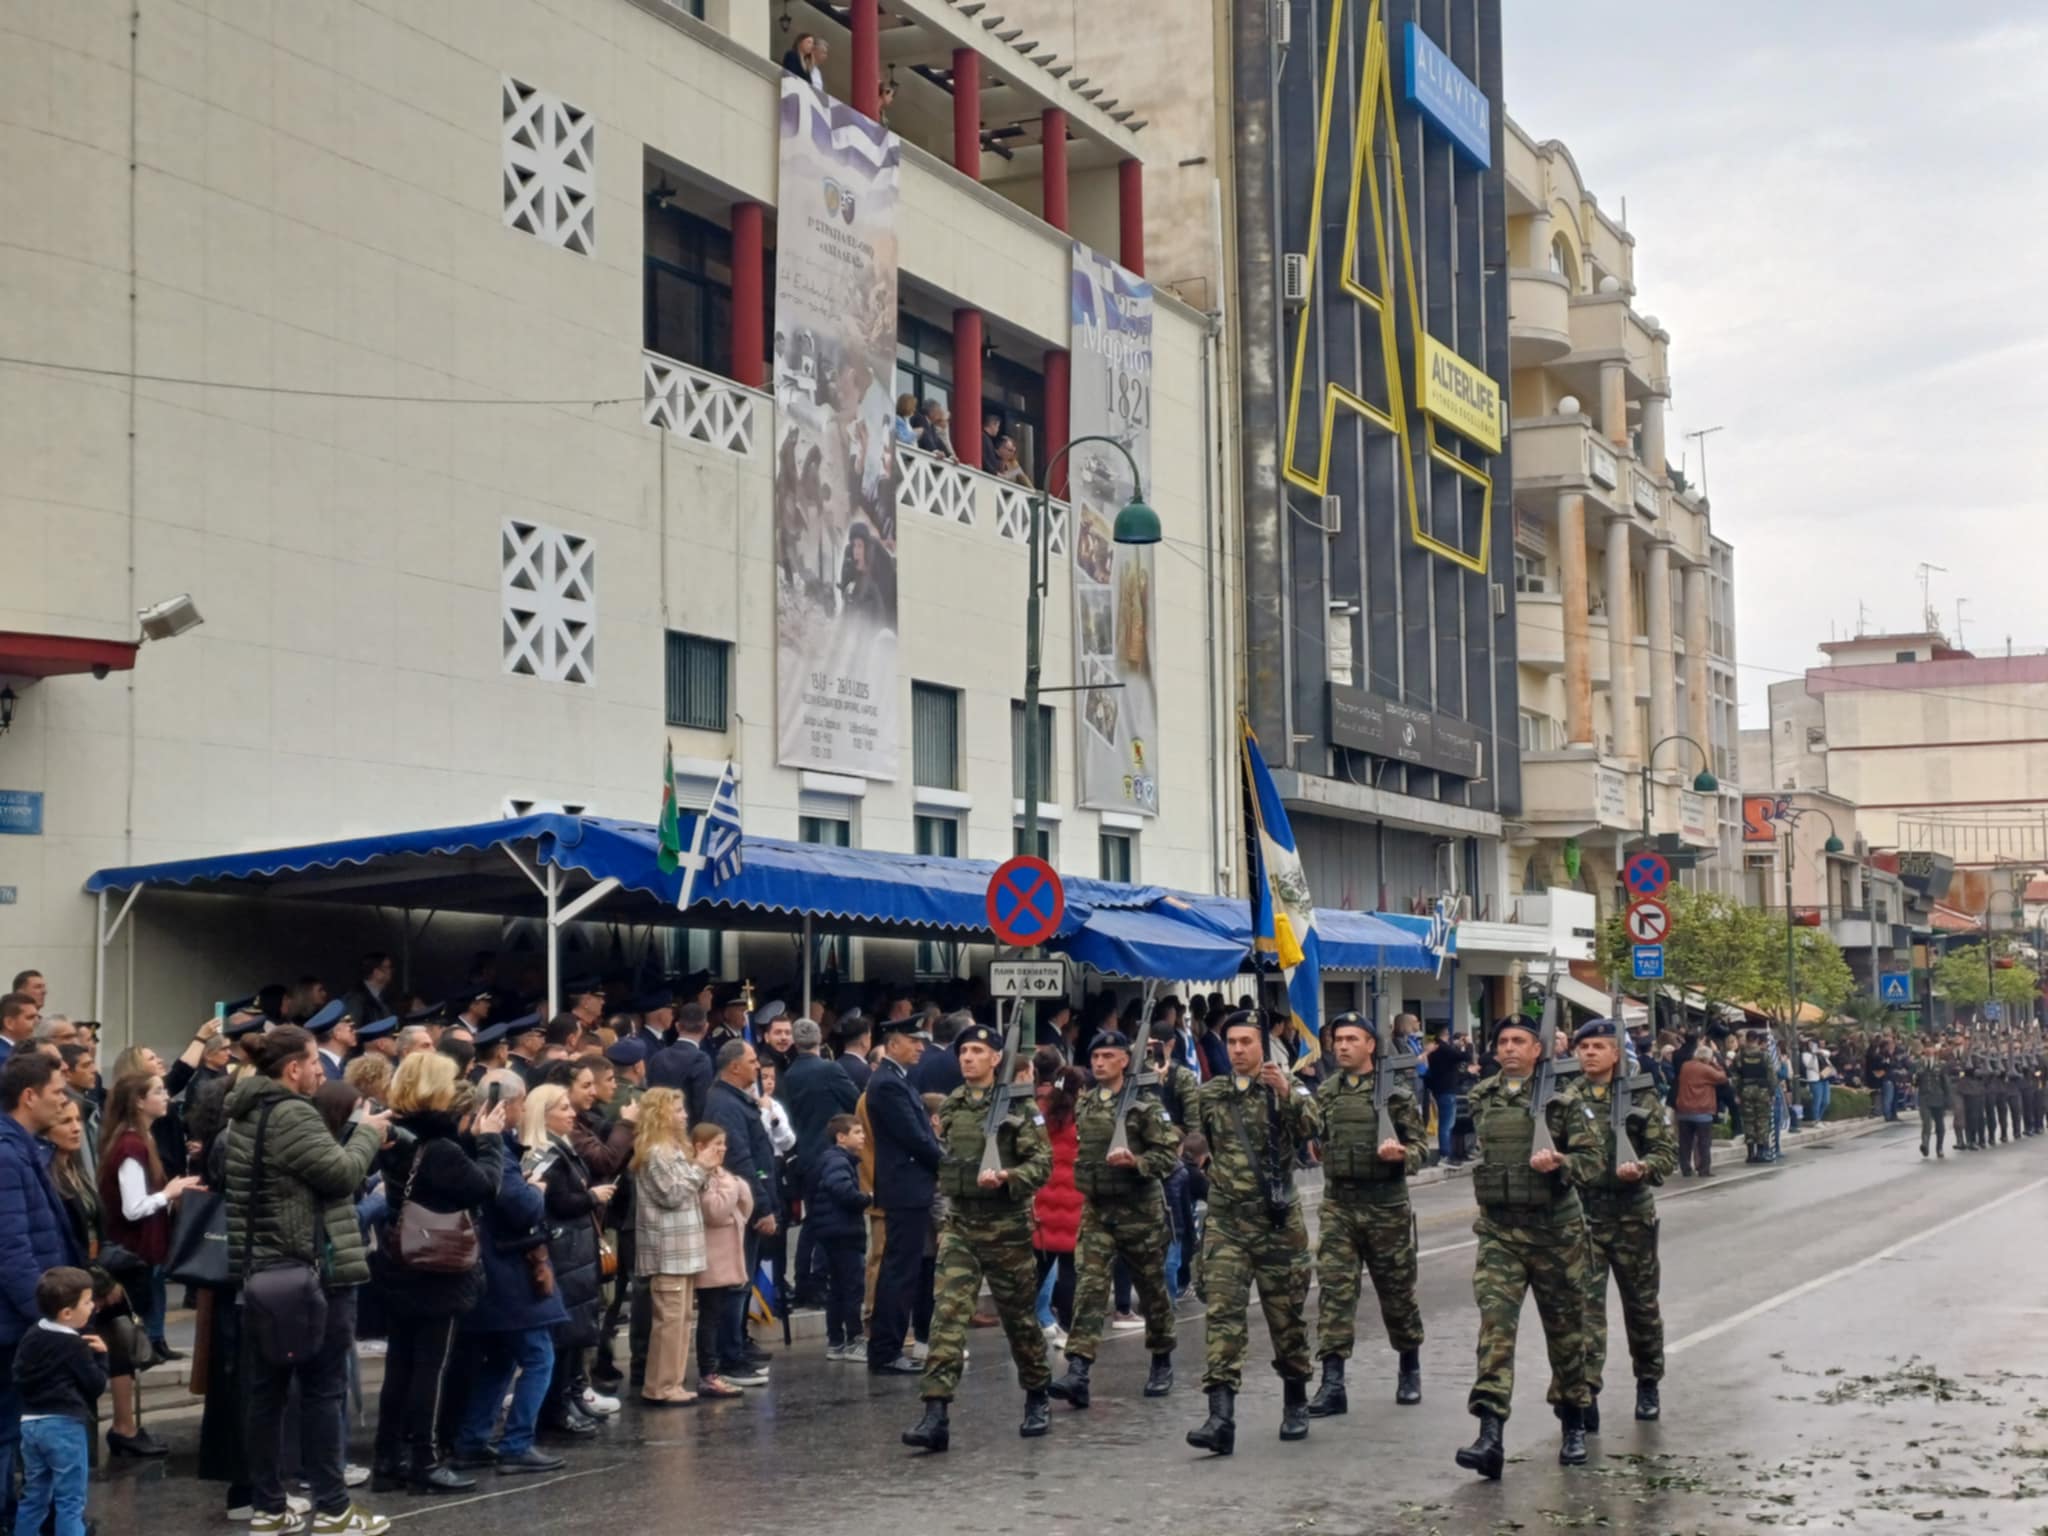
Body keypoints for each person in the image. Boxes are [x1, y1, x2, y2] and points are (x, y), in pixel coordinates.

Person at [224, 1025, 391, 1536]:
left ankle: (270, 1508)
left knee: (267, 1392)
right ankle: (335, 1509)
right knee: (322, 1390)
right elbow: (340, 1175)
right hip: (312, 1272)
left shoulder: (248, 1112)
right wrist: (367, 1132)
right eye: (315, 1062)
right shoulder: (292, 1112)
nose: (322, 1071)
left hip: (262, 1273)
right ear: (292, 1068)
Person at [1454, 1015, 1602, 1481]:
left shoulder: (1565, 1100)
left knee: (1566, 1332)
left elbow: (1593, 1161)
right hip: (1500, 1233)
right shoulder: (1482, 1096)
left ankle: (1574, 1420)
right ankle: (1490, 1435)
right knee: (1495, 1330)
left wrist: (1560, 1161)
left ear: (1538, 1050)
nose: (1510, 1048)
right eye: (1503, 1042)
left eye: (1520, 1041)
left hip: (1555, 1233)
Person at [901, 1023, 1052, 1452]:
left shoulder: (1020, 1109)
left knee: (1020, 1320)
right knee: (947, 1315)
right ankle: (936, 1411)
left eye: (976, 1052)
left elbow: (1042, 1163)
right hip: (961, 1225)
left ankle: (1037, 1393)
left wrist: (1009, 1177)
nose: (967, 1058)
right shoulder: (952, 1107)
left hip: (1006, 1228)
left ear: (995, 1059)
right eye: (963, 1051)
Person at [1184, 1011, 1322, 1456]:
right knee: (1223, 1314)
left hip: (1276, 1224)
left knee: (1286, 1318)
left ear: (1263, 1045)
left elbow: (1314, 1130)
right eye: (1233, 1042)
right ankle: (1220, 1417)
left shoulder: (1285, 1088)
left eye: (1247, 1042)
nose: (1239, 1050)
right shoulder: (1213, 1094)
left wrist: (1286, 1094)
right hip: (1227, 1222)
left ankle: (1296, 1399)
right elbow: (1197, 1140)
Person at [368, 1052, 506, 1494]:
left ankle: (388, 1457)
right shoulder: (441, 1147)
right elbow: (485, 1186)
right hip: (438, 1266)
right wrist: (489, 1141)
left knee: (400, 1363)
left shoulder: (397, 1137)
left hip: (401, 1260)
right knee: (431, 1365)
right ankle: (423, 1458)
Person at [1049, 1029, 1178, 1411]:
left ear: (1125, 1060)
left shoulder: (1145, 1106)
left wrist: (1136, 1163)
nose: (1100, 1063)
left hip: (1139, 1212)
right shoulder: (1086, 1104)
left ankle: (1161, 1360)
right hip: (1097, 1211)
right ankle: (1079, 1370)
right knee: (1089, 1290)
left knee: (1152, 1291)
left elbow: (1168, 1157)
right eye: (1096, 1057)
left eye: (1108, 1056)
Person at [1306, 1012, 1427, 1419]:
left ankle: (1409, 1366)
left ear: (1370, 1045)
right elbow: (1317, 1138)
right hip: (1339, 1205)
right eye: (1337, 1039)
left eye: (1351, 1039)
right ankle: (1332, 1382)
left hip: (1385, 1206)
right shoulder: (1325, 1092)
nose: (1341, 1046)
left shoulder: (1396, 1094)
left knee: (1396, 1293)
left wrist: (1402, 1155)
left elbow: (1421, 1148)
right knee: (1335, 1294)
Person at [446, 1070, 565, 1478]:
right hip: (506, 1271)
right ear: (507, 1104)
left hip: (485, 1269)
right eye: (521, 1101)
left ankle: (473, 1440)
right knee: (539, 1356)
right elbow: (520, 1207)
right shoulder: (493, 1148)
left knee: (498, 1360)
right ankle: (517, 1443)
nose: (523, 1108)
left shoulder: (466, 1143)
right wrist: (537, 1191)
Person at [1567, 1018, 1676, 1430]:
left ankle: (1648, 1380)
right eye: (1584, 1047)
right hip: (1583, 1215)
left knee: (1641, 1306)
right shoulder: (1566, 1096)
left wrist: (1644, 1167)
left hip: (1631, 1214)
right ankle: (1587, 1390)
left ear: (1617, 1053)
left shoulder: (1639, 1094)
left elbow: (1665, 1152)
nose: (1589, 1053)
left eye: (1598, 1047)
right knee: (1585, 1309)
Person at [47, 1098, 152, 1457]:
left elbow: (98, 1228)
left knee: (114, 1352)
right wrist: (98, 1281)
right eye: (65, 1121)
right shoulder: (48, 1173)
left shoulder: (76, 1169)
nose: (76, 1127)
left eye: (78, 1120)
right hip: (73, 1284)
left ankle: (120, 1432)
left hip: (95, 1276)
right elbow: (68, 1238)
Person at [519, 1085, 613, 1439]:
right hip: (564, 1251)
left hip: (577, 1251)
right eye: (562, 1108)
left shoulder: (562, 1148)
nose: (571, 1113)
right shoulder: (544, 1154)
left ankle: (571, 1397)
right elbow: (557, 1203)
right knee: (565, 1333)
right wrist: (591, 1196)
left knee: (577, 1332)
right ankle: (557, 1408)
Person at [95, 1072, 205, 1363]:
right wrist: (168, 1194)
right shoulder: (131, 1145)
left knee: (155, 1295)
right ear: (139, 1102)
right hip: (136, 1247)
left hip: (147, 1245)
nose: (166, 1096)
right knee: (144, 1301)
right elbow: (133, 1208)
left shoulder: (141, 1139)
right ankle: (149, 1346)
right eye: (158, 1091)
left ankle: (157, 1341)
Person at [865, 1014, 945, 1375]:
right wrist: (947, 1164)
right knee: (899, 1273)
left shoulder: (898, 1080)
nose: (921, 1047)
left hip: (911, 1187)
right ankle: (886, 1349)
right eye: (914, 1041)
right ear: (894, 1042)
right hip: (905, 1188)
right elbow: (915, 1136)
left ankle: (890, 1346)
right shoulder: (887, 1084)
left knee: (905, 1271)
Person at [11, 1266, 105, 1536]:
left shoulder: (33, 1333)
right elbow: (95, 1384)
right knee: (70, 1500)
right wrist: (102, 1356)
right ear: (67, 1313)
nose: (92, 1306)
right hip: (64, 1425)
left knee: (34, 1496)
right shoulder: (76, 1346)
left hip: (30, 1424)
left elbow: (18, 1374)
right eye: (87, 1302)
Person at [629, 1089, 708, 1406]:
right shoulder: (654, 1152)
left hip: (685, 1247)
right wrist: (700, 1167)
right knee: (669, 1322)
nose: (684, 1115)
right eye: (677, 1110)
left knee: (682, 1320)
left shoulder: (674, 1149)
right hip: (667, 1250)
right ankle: (660, 1385)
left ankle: (673, 1381)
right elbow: (672, 1195)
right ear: (661, 1115)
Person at [690, 1124, 753, 1398]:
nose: (722, 1149)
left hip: (725, 1253)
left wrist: (734, 1192)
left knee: (717, 1314)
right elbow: (715, 1211)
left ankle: (717, 1367)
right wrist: (733, 1187)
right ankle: (709, 1372)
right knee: (710, 1316)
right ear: (699, 1146)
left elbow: (744, 1207)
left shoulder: (721, 1175)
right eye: (716, 1144)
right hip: (711, 1258)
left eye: (724, 1143)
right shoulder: (706, 1176)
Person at [806, 1114, 871, 1361]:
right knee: (852, 1288)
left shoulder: (831, 1159)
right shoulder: (838, 1161)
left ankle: (835, 1341)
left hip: (830, 1231)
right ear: (841, 1137)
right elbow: (841, 1189)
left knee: (837, 1289)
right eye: (857, 1132)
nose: (862, 1136)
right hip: (844, 1232)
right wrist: (866, 1198)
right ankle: (854, 1340)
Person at [1031, 1051, 1083, 1346]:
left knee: (1037, 1268)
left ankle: (1027, 1323)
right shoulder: (1082, 1116)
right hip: (1074, 1200)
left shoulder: (1040, 1113)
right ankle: (1066, 1326)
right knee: (1069, 1271)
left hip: (1044, 1199)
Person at [646, 1003, 714, 1127]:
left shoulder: (657, 1057)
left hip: (658, 1126)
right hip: (686, 1129)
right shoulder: (701, 1059)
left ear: (677, 1026)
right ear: (706, 1027)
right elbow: (701, 1103)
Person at [1672, 1041, 1727, 1177]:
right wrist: (1714, 1063)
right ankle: (1704, 1169)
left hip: (1684, 1110)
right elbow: (1722, 1077)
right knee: (1704, 1142)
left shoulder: (1685, 1066)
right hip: (1702, 1112)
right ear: (1707, 1058)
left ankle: (1685, 1168)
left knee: (1685, 1142)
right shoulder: (1706, 1069)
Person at [1423, 1022, 1471, 1164]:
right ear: (1445, 1034)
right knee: (1447, 1123)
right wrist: (1468, 1045)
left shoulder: (1434, 1049)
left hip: (1438, 1087)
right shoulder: (1443, 1048)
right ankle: (1446, 1153)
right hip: (1447, 1089)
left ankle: (1446, 1152)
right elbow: (1465, 1057)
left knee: (1444, 1122)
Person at [1733, 1029, 1775, 1164]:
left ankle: (1750, 1154)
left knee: (1749, 1122)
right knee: (1762, 1120)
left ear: (1747, 1039)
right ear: (1757, 1040)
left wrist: (1737, 1093)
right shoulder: (1764, 1055)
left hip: (1746, 1090)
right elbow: (1771, 1075)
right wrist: (1772, 1092)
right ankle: (1762, 1152)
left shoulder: (1740, 1055)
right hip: (1762, 1090)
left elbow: (1735, 1077)